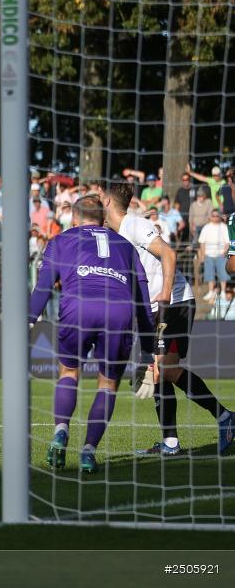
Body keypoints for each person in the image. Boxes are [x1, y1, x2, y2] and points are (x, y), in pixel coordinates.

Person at [100, 183, 234, 456]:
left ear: (107, 203)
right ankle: (171, 443)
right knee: (158, 374)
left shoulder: (135, 225)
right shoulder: (117, 235)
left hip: (173, 302)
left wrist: (163, 294)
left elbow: (169, 254)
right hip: (154, 308)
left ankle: (225, 417)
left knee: (164, 371)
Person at [30, 196, 155, 473]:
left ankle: (61, 431)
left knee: (68, 373)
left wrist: (28, 319)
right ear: (102, 218)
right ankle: (88, 451)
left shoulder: (61, 240)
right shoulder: (125, 245)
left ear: (75, 218)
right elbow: (142, 297)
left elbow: (44, 287)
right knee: (107, 384)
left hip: (78, 308)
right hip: (119, 312)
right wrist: (148, 349)